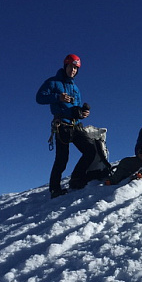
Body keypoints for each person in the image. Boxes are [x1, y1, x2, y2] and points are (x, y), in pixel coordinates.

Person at [36, 54, 96, 198]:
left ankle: (76, 178)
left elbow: (77, 107)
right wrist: (58, 97)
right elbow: (39, 97)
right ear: (65, 66)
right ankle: (54, 189)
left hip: (75, 125)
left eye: (76, 68)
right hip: (61, 125)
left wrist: (82, 113)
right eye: (71, 67)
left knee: (91, 150)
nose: (73, 70)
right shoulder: (53, 82)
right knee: (62, 159)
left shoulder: (75, 88)